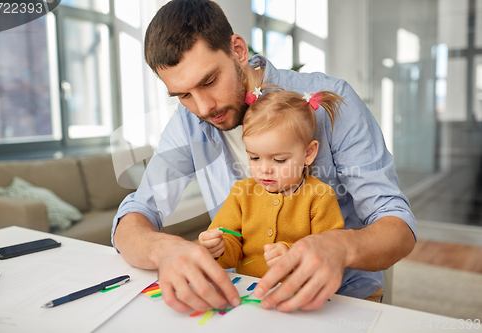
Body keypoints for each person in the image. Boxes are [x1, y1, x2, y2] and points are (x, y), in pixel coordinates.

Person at [112, 0, 417, 313]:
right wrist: (162, 249)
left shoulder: (329, 102)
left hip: (342, 301)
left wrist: (340, 247)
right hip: (248, 300)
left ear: (238, 51)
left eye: (209, 81)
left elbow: (398, 225)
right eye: (184, 95)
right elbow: (136, 215)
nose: (203, 108)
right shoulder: (188, 123)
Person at [199, 87, 346, 279]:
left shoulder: (320, 196)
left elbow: (330, 252)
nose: (264, 169)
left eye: (279, 160)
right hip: (251, 295)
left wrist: (294, 255)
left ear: (308, 154)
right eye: (254, 158)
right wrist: (218, 247)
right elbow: (230, 248)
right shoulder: (241, 193)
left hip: (302, 295)